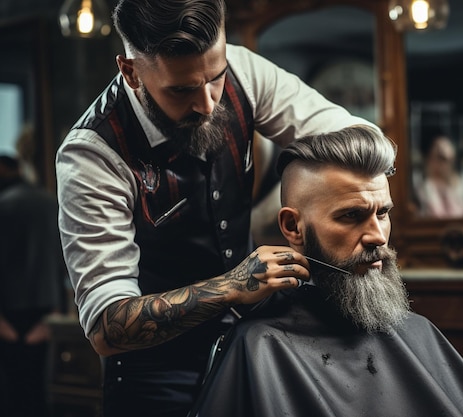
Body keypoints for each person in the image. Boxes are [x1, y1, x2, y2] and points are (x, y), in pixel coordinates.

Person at [55, 1, 376, 416]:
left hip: (248, 346)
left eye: (215, 78)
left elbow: (351, 133)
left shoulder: (242, 71)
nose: (208, 104)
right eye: (182, 89)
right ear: (131, 70)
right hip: (155, 377)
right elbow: (106, 326)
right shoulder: (92, 155)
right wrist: (231, 286)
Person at [187, 125, 463, 417]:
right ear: (292, 227)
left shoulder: (418, 332)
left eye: (382, 213)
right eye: (352, 216)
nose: (378, 236)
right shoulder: (259, 347)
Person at [0, 155, 66, 417]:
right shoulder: (50, 203)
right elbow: (63, 262)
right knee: (40, 391)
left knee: (11, 396)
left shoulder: (4, 205)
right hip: (47, 313)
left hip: (7, 315)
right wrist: (58, 313)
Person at [415, 128, 463, 218]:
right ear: (429, 160)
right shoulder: (427, 187)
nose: (446, 165)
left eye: (450, 159)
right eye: (441, 158)